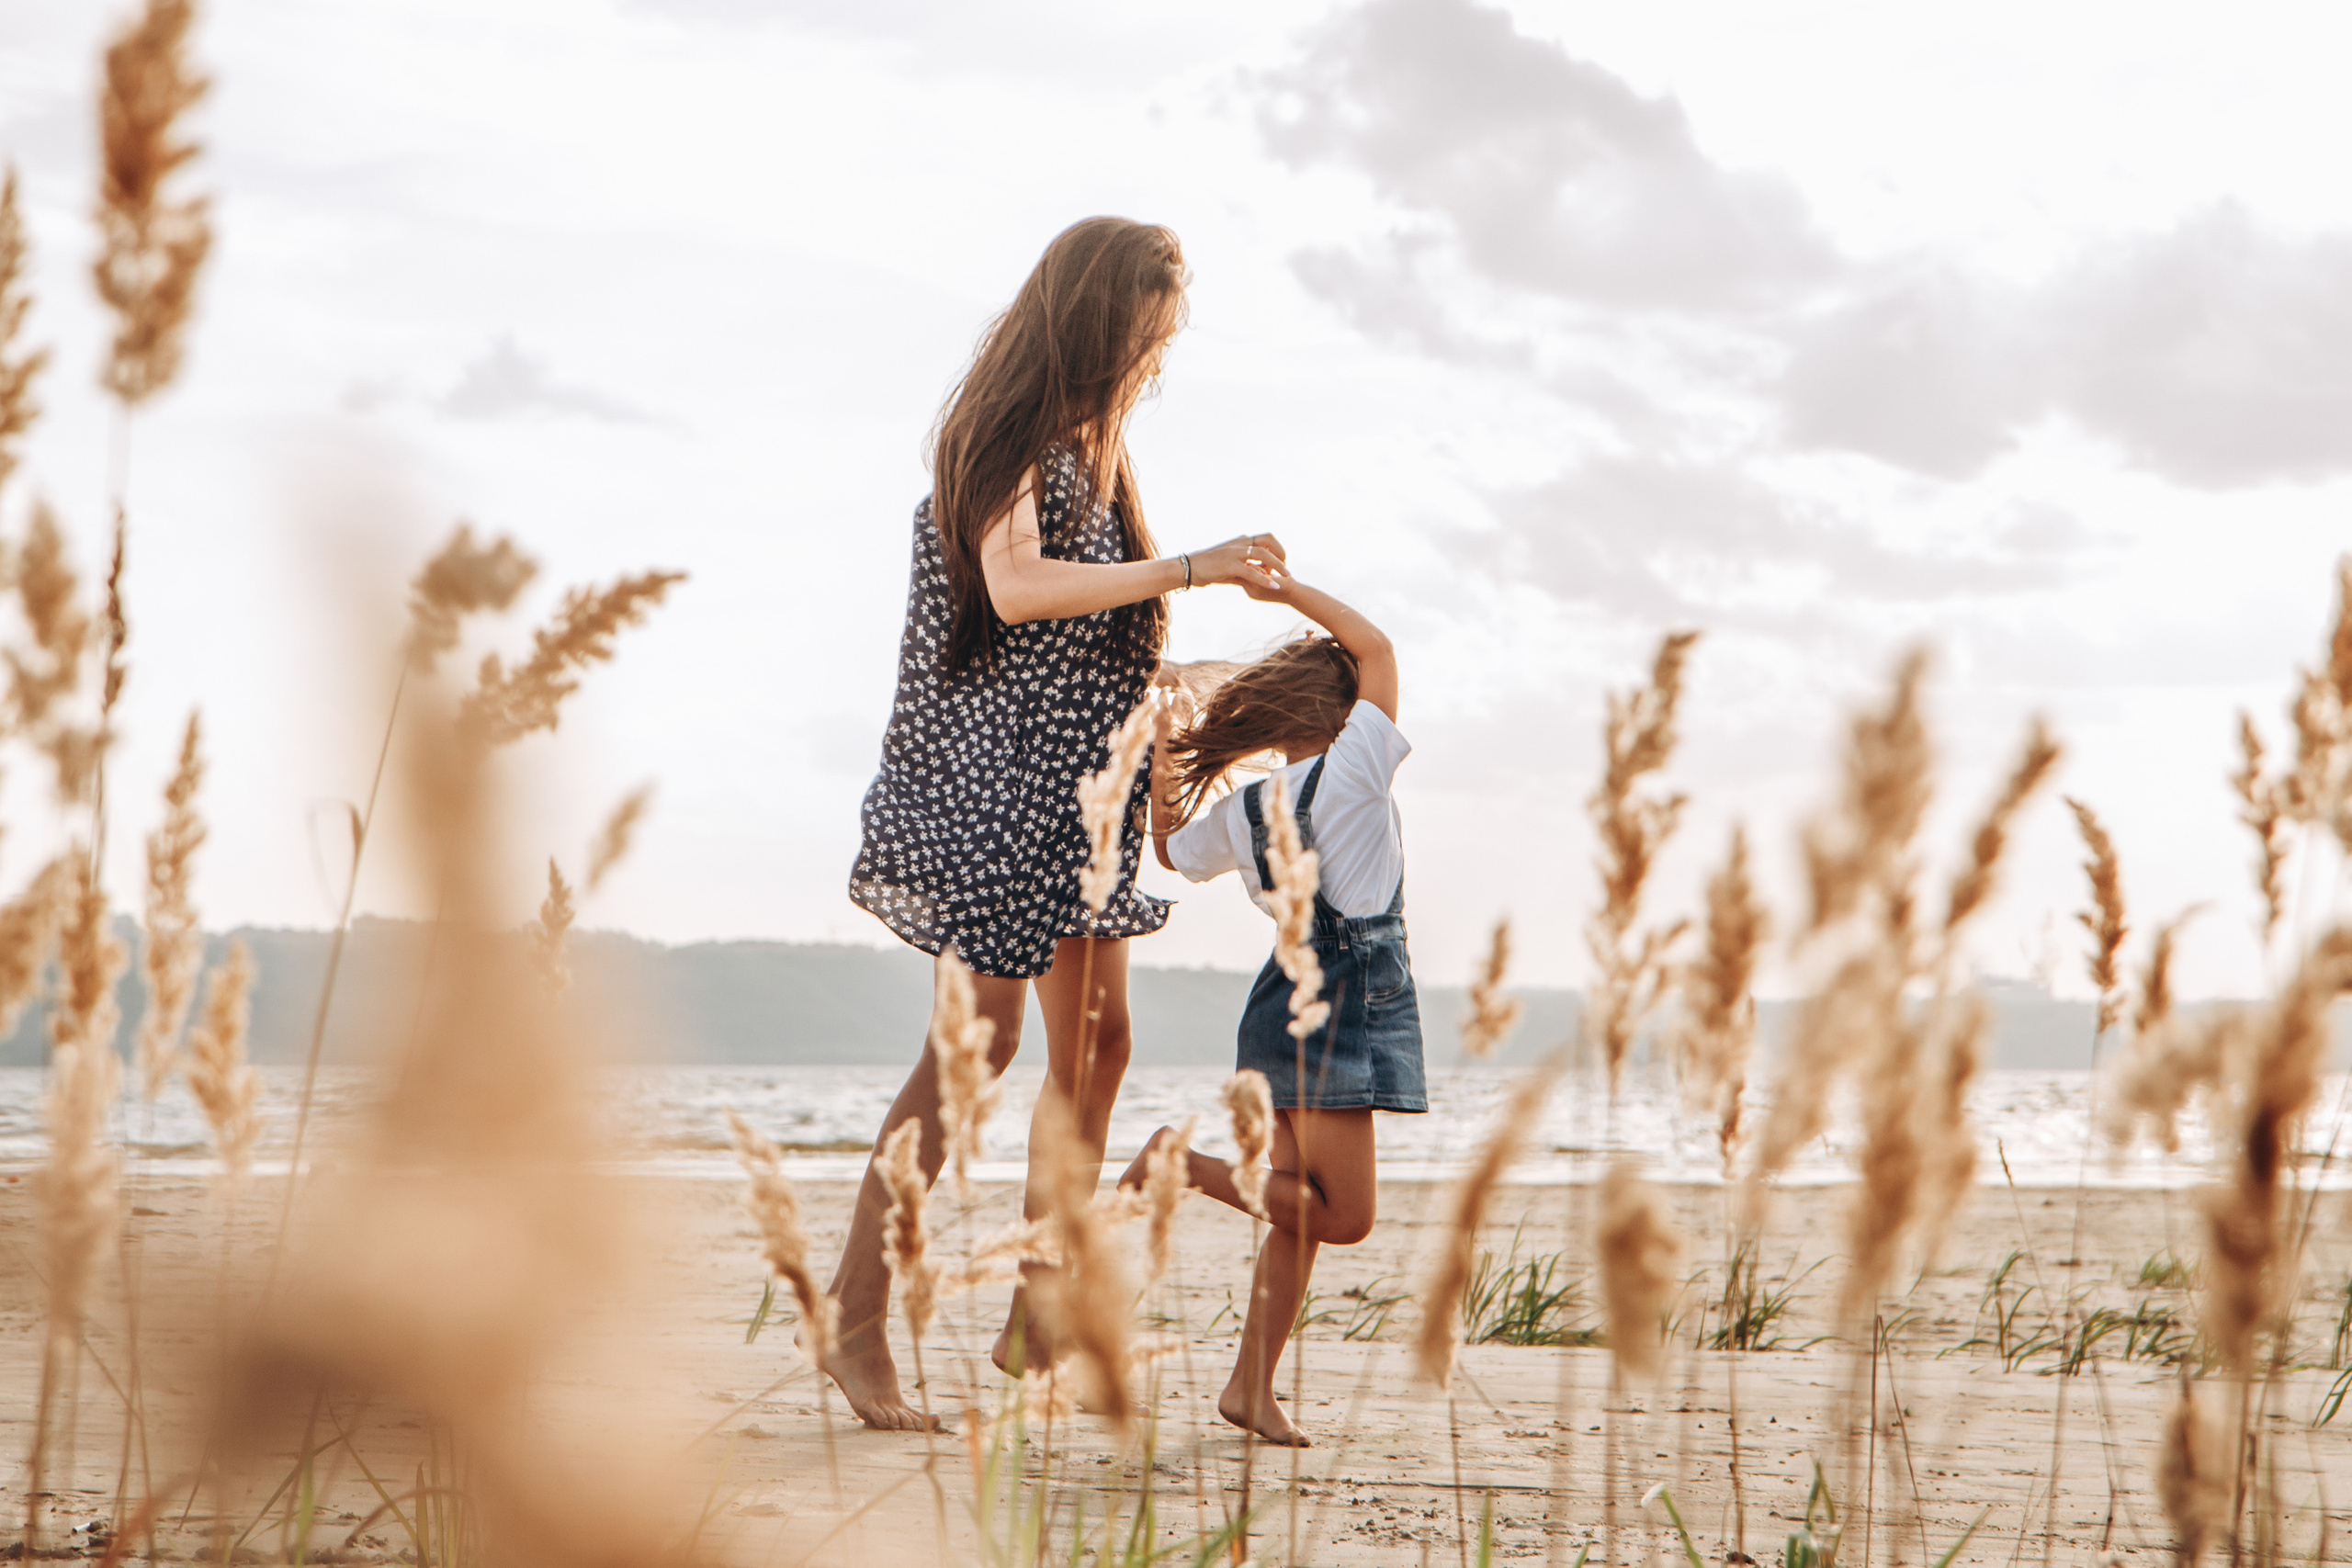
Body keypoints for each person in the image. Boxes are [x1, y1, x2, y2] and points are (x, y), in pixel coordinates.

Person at [830, 217, 1286, 1431]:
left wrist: (1200, 676)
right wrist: (1191, 565)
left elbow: (1084, 626)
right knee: (970, 1055)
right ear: (1097, 321)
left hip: (1076, 793)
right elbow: (1018, 587)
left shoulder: (1099, 446)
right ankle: (856, 1322)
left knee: (1102, 1041)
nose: (1158, 358)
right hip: (996, 789)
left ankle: (1038, 1296)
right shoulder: (1016, 431)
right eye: (1149, 335)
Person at [1122, 577, 1423, 1447]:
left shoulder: (1248, 806)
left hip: (1277, 1002)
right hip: (1346, 1006)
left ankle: (1251, 1386)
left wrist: (1166, 743)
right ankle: (1177, 1163)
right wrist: (1282, 587)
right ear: (1343, 713)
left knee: (1301, 1208)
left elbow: (1174, 851)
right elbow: (1379, 649)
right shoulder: (1356, 767)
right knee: (1344, 1215)